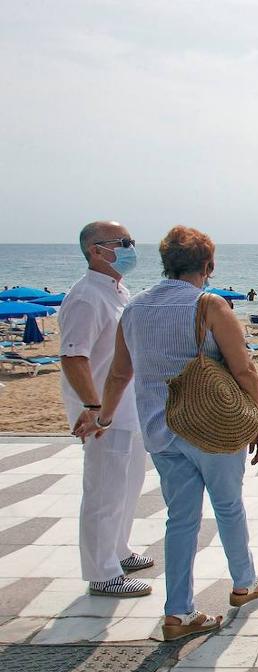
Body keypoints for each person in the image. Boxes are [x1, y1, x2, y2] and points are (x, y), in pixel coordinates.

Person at [74, 226, 258, 641]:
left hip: (160, 430)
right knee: (228, 506)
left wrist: (104, 418)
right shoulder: (210, 305)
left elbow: (119, 373)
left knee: (180, 520)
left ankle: (178, 613)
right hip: (212, 427)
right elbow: (243, 370)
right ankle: (244, 583)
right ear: (208, 265)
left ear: (166, 263)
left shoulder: (136, 308)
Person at [60, 221, 152, 599]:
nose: (131, 248)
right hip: (102, 411)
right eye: (124, 242)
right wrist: (93, 406)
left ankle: (119, 550)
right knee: (104, 488)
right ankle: (102, 572)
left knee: (128, 484)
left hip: (126, 407)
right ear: (97, 250)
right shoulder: (86, 297)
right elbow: (72, 356)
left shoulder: (116, 291)